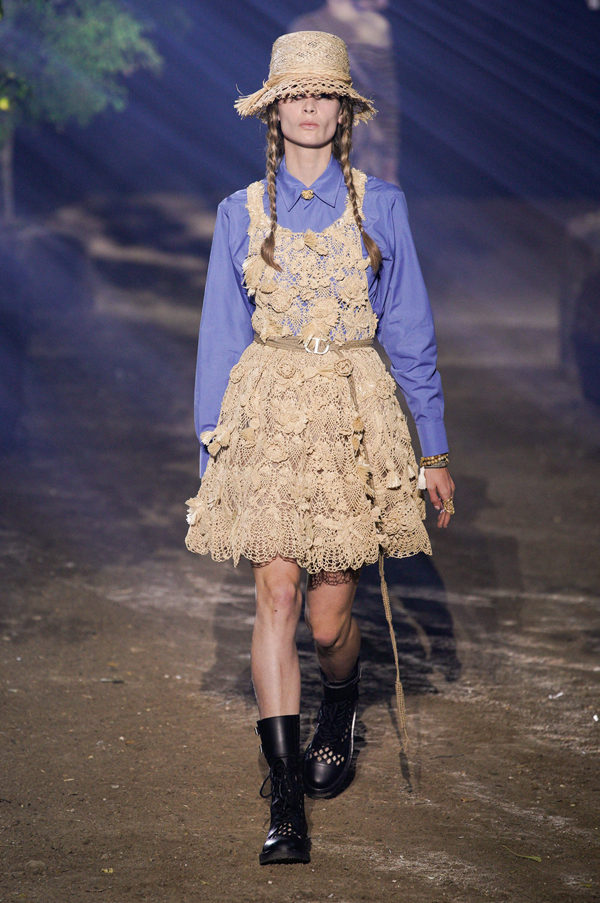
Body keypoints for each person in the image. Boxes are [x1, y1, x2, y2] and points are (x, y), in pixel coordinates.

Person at [185, 30, 455, 866]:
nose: (309, 106)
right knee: (275, 592)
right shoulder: (239, 212)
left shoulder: (384, 205)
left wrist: (434, 451)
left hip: (351, 418)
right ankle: (285, 797)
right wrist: (213, 456)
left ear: (344, 111)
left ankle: (341, 699)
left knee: (329, 616)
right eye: (295, 93)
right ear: (275, 111)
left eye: (323, 93)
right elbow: (219, 340)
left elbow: (410, 332)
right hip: (266, 415)